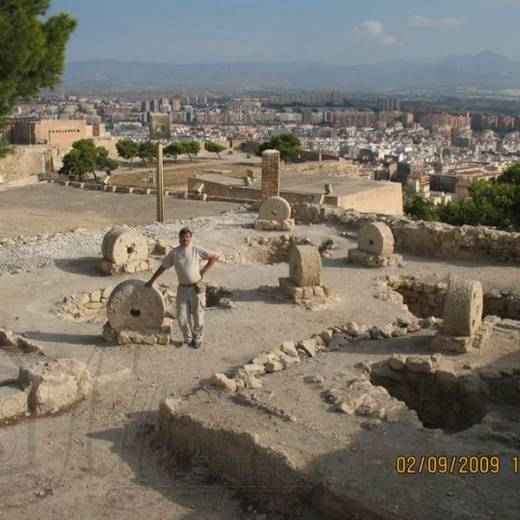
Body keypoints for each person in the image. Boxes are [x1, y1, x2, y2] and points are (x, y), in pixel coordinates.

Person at [145, 228, 219, 348]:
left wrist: (204, 269)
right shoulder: (175, 253)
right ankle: (188, 338)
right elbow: (162, 267)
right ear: (179, 238)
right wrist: (151, 281)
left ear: (191, 238)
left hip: (196, 288)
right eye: (182, 237)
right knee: (182, 316)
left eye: (187, 237)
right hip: (183, 289)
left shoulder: (196, 250)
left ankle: (198, 338)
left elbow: (214, 256)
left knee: (198, 315)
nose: (185, 239)